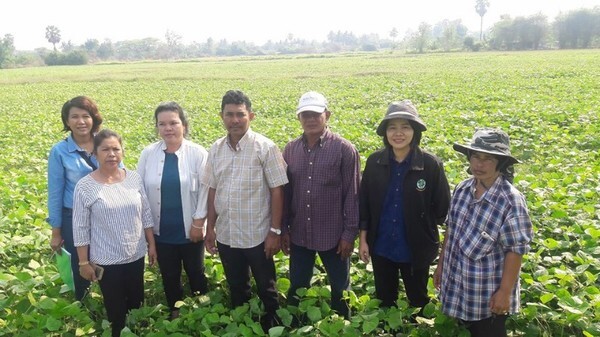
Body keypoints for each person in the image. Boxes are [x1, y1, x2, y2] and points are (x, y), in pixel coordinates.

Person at [434, 128, 533, 337]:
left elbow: (515, 250)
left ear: (501, 163)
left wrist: (504, 293)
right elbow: (451, 231)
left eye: (488, 159)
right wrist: (441, 265)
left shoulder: (510, 200)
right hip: (459, 283)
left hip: (487, 294)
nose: (479, 164)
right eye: (476, 156)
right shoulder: (462, 189)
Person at [204, 90, 288, 332]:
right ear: (221, 117)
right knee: (237, 283)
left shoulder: (265, 147)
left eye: (240, 114)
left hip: (258, 234)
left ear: (250, 115)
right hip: (228, 234)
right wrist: (211, 228)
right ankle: (243, 322)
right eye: (229, 115)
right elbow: (212, 191)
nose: (235, 120)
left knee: (266, 285)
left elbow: (277, 191)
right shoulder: (216, 149)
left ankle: (273, 323)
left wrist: (275, 231)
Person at [358, 100, 450, 312]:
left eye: (405, 127)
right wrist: (363, 239)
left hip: (416, 248)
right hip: (381, 245)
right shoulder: (374, 162)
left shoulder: (430, 164)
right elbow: (365, 203)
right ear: (385, 132)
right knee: (384, 298)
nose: (398, 133)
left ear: (415, 131)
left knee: (417, 298)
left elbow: (442, 208)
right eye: (392, 127)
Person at [282, 91, 360, 319]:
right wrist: (284, 228)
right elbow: (286, 193)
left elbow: (352, 194)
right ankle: (295, 324)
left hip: (334, 235)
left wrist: (349, 234)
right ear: (299, 118)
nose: (311, 119)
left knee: (340, 287)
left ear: (327, 115)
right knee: (297, 284)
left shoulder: (345, 149)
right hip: (299, 233)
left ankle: (343, 325)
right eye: (305, 115)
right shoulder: (291, 149)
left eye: (316, 114)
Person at [73, 129, 157, 337]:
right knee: (116, 310)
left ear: (122, 152)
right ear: (95, 153)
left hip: (136, 254)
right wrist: (83, 263)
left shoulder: (134, 178)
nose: (111, 154)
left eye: (116, 149)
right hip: (106, 260)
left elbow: (145, 213)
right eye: (105, 149)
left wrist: (151, 244)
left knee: (137, 304)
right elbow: (80, 227)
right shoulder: (85, 187)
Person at [137, 101, 209, 320]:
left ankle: (203, 308)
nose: (168, 128)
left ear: (184, 125)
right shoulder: (148, 153)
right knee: (169, 274)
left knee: (196, 271)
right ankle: (175, 309)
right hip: (162, 230)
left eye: (173, 123)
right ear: (157, 127)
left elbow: (206, 190)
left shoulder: (197, 153)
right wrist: (148, 233)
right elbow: (139, 190)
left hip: (190, 229)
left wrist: (198, 223)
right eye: (162, 124)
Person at [47, 96, 103, 300]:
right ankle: (85, 305)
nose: (81, 121)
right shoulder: (60, 151)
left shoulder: (105, 142)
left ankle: (110, 300)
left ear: (93, 119)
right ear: (67, 121)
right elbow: (55, 193)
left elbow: (121, 174)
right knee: (81, 263)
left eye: (86, 116)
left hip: (105, 214)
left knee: (108, 259)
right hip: (74, 217)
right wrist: (56, 231)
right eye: (75, 117)